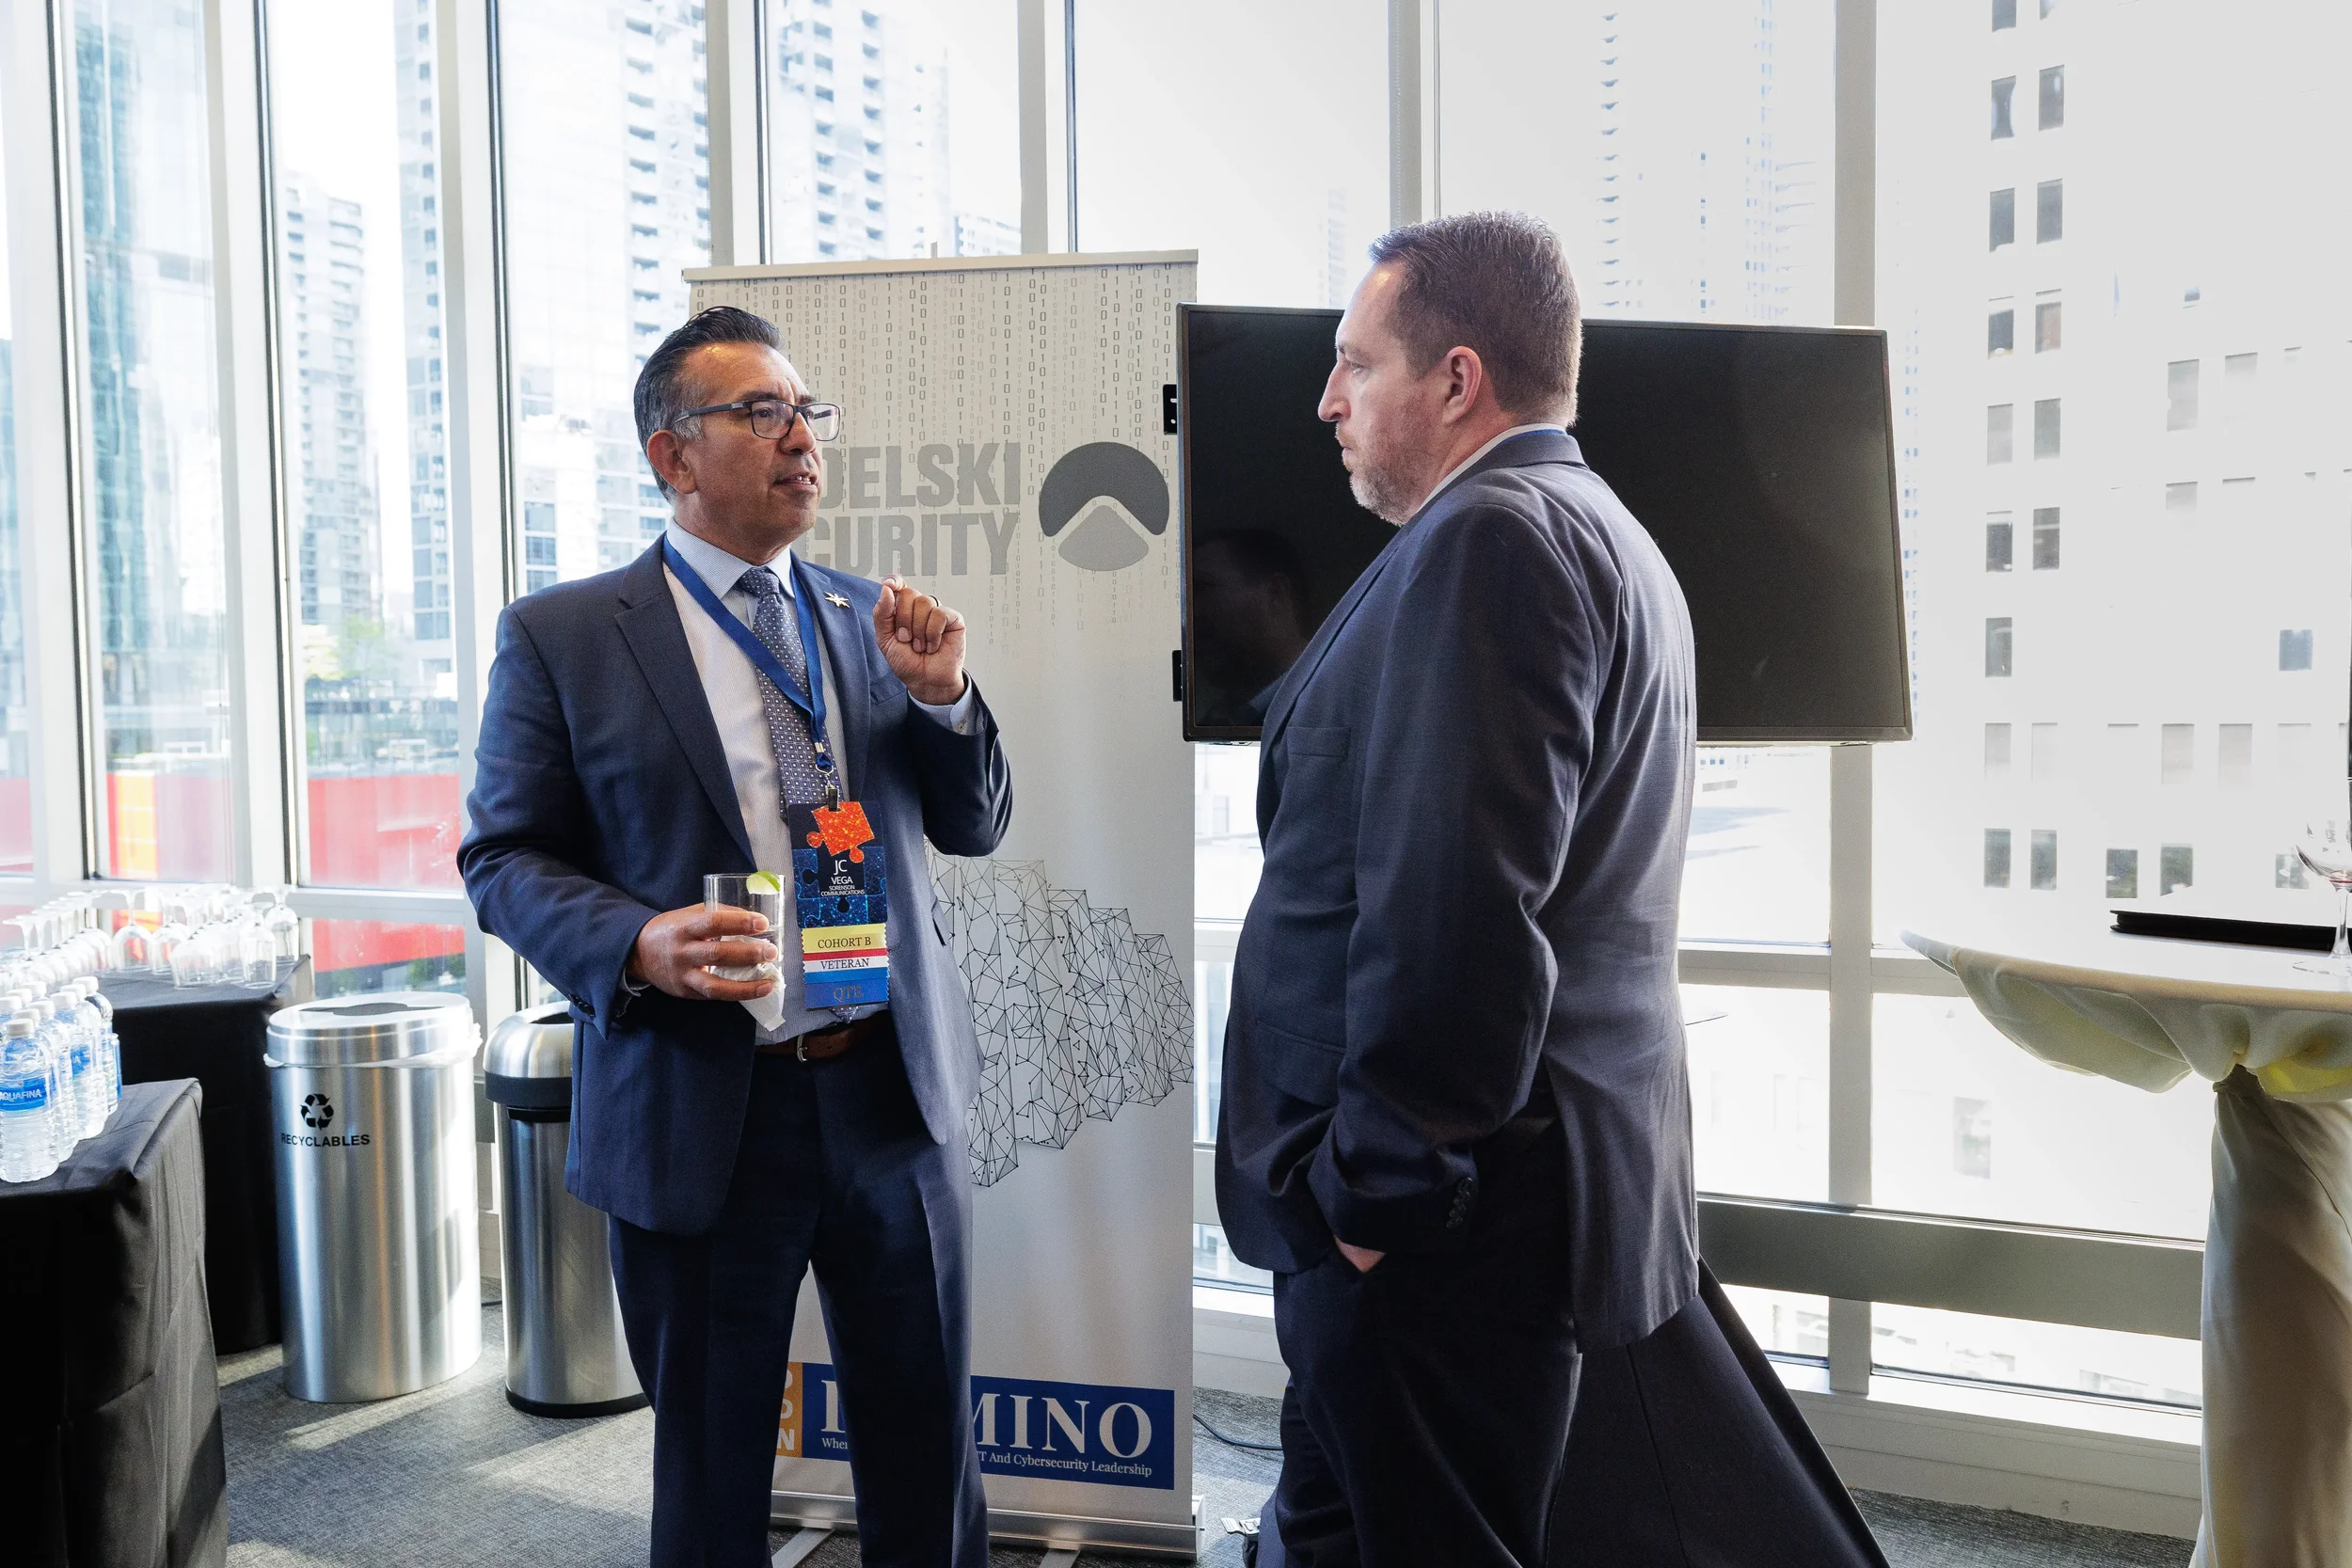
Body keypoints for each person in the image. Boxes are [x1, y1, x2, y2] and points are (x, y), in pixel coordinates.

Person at [1216, 211, 1882, 1568]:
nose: (1326, 400)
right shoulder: (1602, 530)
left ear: (1458, 379)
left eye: (1357, 364)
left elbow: (1457, 916)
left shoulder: (1493, 541)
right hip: (1482, 1205)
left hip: (1435, 1232)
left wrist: (1372, 1208)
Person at [459, 305, 1009, 1568]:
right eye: (762, 413)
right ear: (673, 455)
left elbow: (974, 824)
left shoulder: (872, 619)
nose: (801, 438)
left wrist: (946, 701)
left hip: (889, 1093)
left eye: (807, 413)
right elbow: (502, 858)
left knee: (928, 1453)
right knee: (711, 1475)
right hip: (704, 1109)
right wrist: (636, 943)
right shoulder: (564, 639)